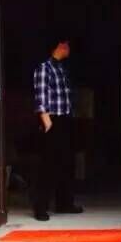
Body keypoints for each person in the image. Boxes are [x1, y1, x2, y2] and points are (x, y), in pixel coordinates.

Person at [33, 34, 83, 221]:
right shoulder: (44, 68)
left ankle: (64, 203)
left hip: (65, 118)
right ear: (60, 46)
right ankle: (41, 207)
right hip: (53, 120)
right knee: (48, 164)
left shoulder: (61, 68)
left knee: (66, 163)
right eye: (66, 45)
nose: (69, 49)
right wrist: (47, 122)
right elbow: (41, 96)